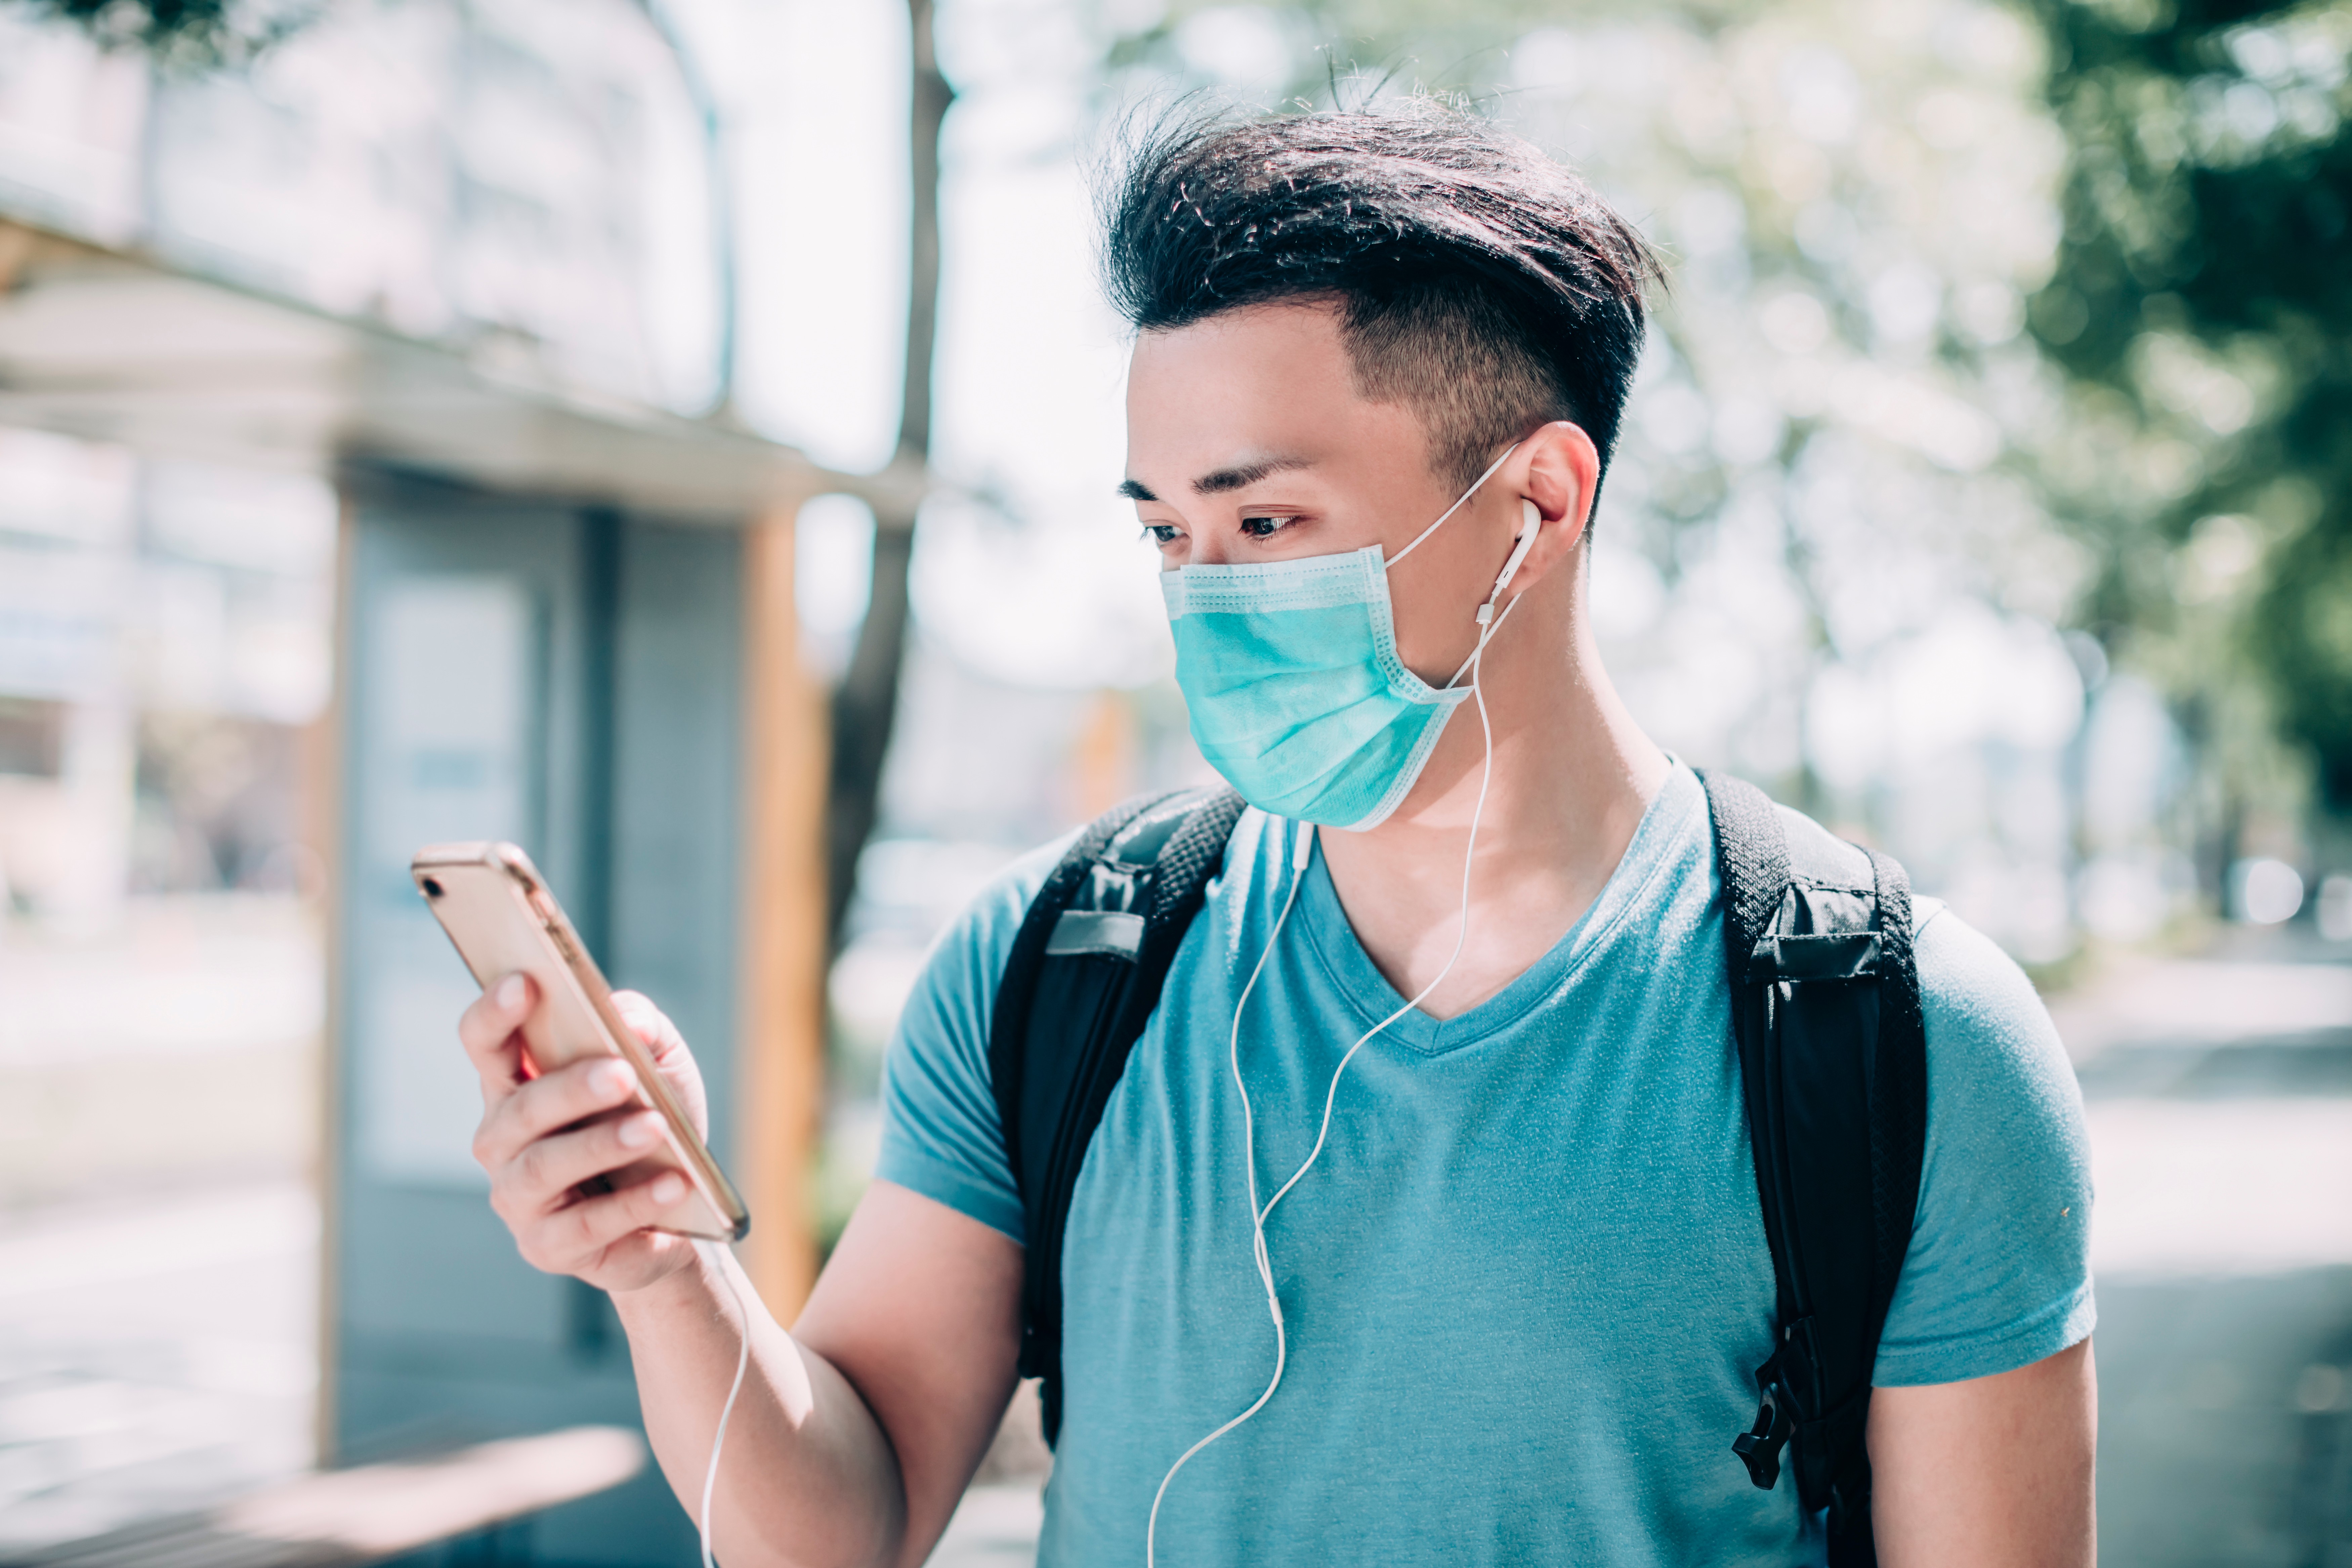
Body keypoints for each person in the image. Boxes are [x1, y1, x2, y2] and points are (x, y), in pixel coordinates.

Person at [456, 101, 2095, 1568]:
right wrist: (670, 1268)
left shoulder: (1896, 1034)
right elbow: (841, 1531)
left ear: (1537, 501)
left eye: (1263, 522)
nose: (1202, 599)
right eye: (1167, 530)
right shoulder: (1059, 960)